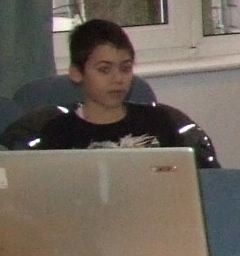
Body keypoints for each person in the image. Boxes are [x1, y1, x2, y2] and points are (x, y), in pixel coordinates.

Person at [16, 18, 218, 166]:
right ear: (77, 73)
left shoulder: (160, 121)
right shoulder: (57, 133)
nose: (118, 79)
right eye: (104, 70)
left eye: (125, 68)